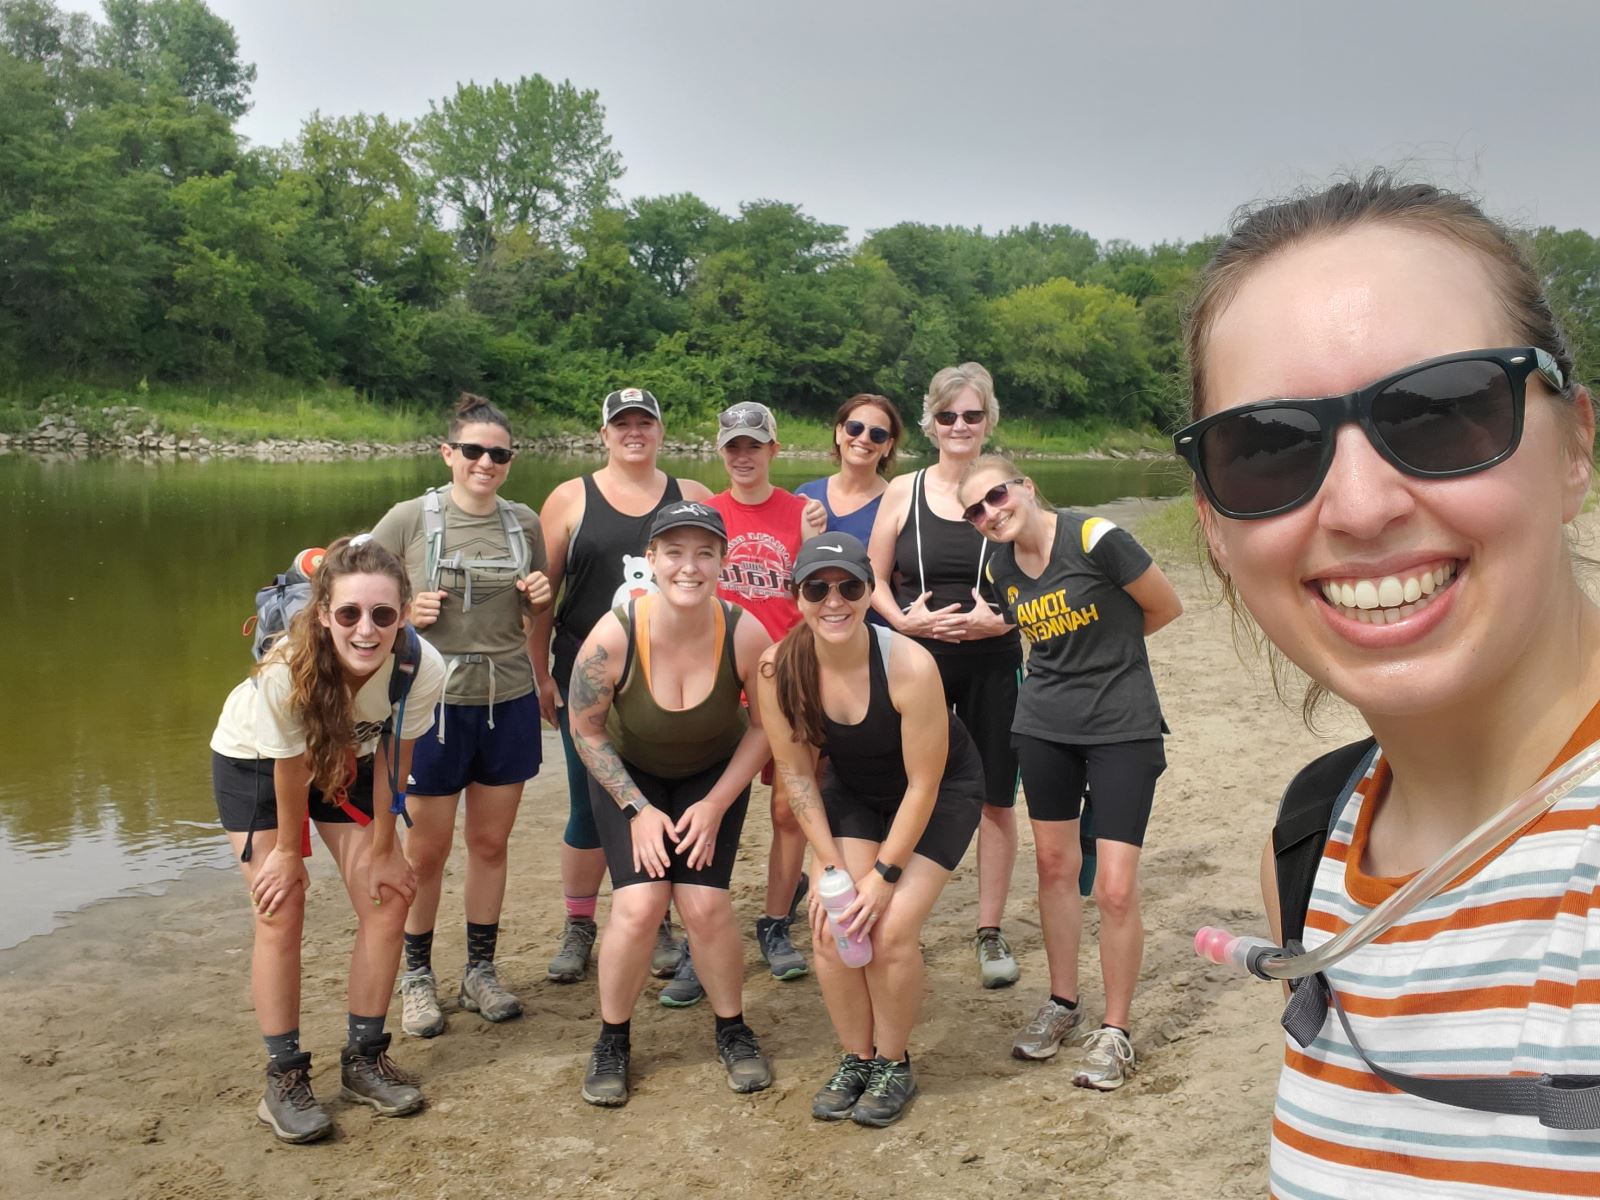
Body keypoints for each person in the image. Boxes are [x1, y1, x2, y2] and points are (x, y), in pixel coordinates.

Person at [1175, 174, 1600, 1193]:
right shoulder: (1317, 827)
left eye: (1445, 410)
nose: (1360, 507)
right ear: (1214, 526)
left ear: (1576, 443)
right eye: (1268, 447)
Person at [208, 535, 446, 1143]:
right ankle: (284, 1076)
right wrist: (289, 854)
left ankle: (365, 1059)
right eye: (349, 614)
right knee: (280, 906)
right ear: (324, 614)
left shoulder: (423, 665)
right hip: (258, 762)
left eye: (383, 615)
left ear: (402, 614)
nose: (366, 630)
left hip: (353, 757)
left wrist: (388, 847)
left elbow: (396, 755)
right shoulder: (285, 671)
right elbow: (289, 768)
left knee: (389, 895)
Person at [958, 455, 1181, 1090]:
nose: (989, 513)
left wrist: (1107, 655)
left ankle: (1115, 1031)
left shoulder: (1094, 538)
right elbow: (1022, 628)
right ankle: (1062, 1003)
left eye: (996, 495)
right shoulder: (1000, 566)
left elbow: (1164, 608)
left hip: (1121, 728)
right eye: (974, 510)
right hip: (1044, 726)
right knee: (1054, 868)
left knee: (1112, 888)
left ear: (1025, 487)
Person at [758, 535, 983, 1127]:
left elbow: (923, 785)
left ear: (868, 593)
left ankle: (893, 1062)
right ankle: (856, 1058)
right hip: (854, 790)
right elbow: (798, 776)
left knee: (888, 932)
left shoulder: (909, 663)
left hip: (937, 791)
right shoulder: (778, 667)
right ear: (797, 596)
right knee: (833, 929)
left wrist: (884, 875)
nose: (834, 601)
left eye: (849, 587)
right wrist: (830, 867)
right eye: (817, 588)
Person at [566, 500, 776, 1107]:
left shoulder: (743, 630)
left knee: (706, 907)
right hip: (633, 779)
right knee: (638, 906)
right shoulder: (616, 633)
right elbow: (586, 729)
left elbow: (764, 729)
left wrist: (714, 805)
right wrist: (637, 809)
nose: (691, 566)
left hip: (713, 776)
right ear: (651, 560)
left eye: (705, 553)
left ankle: (732, 1027)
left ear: (723, 562)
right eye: (675, 552)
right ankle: (612, 1038)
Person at [371, 393, 552, 1038]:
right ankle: (417, 979)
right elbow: (351, 594)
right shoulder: (409, 519)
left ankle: (480, 970)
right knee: (426, 851)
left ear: (509, 461)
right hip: (431, 707)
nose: (485, 462)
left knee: (490, 843)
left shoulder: (524, 523)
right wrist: (400, 615)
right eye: (472, 451)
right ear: (448, 454)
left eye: (497, 454)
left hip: (508, 697)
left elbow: (534, 608)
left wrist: (540, 594)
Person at [531, 388, 712, 991]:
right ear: (603, 434)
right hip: (585, 673)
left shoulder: (691, 495)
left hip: (669, 678)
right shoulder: (568, 498)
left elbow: (732, 564)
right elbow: (539, 595)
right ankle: (579, 922)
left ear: (661, 431)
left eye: (645, 423)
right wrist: (539, 674)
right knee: (589, 803)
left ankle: (654, 912)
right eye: (622, 424)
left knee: (658, 797)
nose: (634, 432)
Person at [867, 362, 1025, 988]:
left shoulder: (1009, 487)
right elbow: (873, 580)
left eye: (972, 415)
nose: (960, 426)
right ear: (930, 424)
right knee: (907, 787)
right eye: (948, 416)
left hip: (992, 661)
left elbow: (1042, 573)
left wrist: (1006, 623)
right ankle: (896, 915)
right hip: (918, 662)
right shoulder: (902, 490)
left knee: (993, 798)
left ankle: (989, 930)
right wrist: (904, 626)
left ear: (989, 423)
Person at [706, 401, 826, 985]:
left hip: (790, 680)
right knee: (712, 808)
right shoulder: (706, 513)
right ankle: (703, 925)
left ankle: (776, 922)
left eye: (755, 445)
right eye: (734, 446)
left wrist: (808, 543)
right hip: (718, 683)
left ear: (774, 449)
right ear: (721, 451)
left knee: (789, 811)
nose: (744, 455)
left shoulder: (804, 512)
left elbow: (821, 599)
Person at [794, 392, 903, 547]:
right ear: (839, 433)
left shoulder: (896, 506)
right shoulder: (806, 495)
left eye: (877, 434)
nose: (864, 439)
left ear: (888, 446)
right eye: (855, 428)